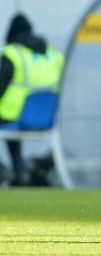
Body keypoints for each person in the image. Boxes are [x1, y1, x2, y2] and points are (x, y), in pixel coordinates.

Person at [0, 13, 64, 186]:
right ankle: (36, 166)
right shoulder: (53, 55)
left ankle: (17, 167)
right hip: (49, 118)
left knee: (5, 116)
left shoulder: (12, 54)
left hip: (15, 115)